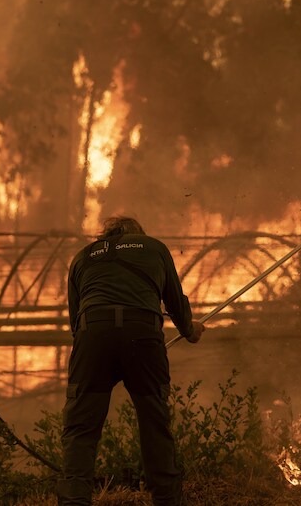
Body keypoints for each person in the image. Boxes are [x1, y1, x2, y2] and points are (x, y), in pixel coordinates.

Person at [57, 216, 204, 506]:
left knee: (81, 429)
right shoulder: (154, 248)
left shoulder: (82, 257)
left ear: (105, 235)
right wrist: (190, 330)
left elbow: (76, 322)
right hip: (142, 334)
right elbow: (175, 302)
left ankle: (74, 500)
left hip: (92, 336)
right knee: (154, 422)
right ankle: (167, 499)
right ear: (139, 234)